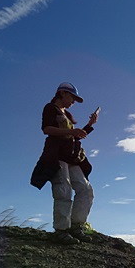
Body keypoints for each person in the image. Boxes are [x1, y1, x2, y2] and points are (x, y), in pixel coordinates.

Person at [31, 82, 99, 244]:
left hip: (72, 158)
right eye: (72, 97)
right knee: (64, 190)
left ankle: (76, 226)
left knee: (86, 189)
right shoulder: (50, 108)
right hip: (57, 156)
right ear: (62, 93)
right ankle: (61, 230)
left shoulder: (67, 115)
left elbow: (75, 136)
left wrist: (89, 126)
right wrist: (71, 131)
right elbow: (47, 129)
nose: (73, 101)